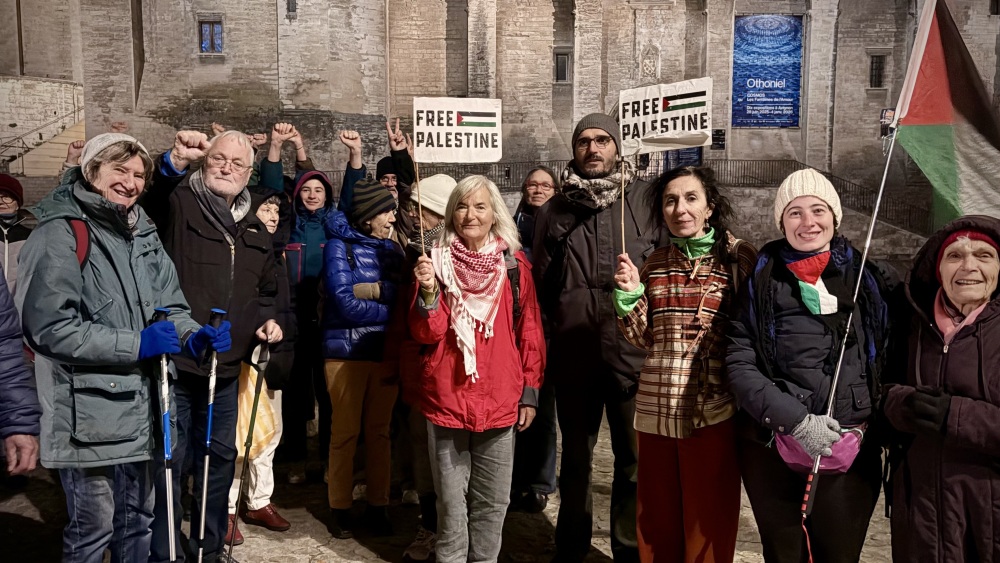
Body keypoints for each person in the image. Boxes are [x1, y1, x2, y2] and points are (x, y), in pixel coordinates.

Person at [15, 133, 228, 563]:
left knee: (139, 521)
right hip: (88, 414)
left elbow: (171, 305)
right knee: (93, 530)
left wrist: (192, 336)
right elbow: (48, 328)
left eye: (137, 175)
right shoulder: (61, 232)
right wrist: (137, 343)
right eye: (119, 171)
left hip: (145, 407)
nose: (130, 183)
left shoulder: (142, 231)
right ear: (92, 170)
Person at [726, 168, 893, 562]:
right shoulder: (762, 279)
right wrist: (796, 421)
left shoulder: (868, 277)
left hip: (850, 445)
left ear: (834, 217)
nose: (808, 222)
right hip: (773, 446)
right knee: (785, 554)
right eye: (795, 213)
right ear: (781, 221)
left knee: (839, 553)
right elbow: (739, 359)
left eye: (818, 210)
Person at [145, 129, 284, 563]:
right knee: (171, 462)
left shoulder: (257, 227)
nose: (226, 167)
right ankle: (167, 550)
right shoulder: (179, 204)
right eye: (218, 159)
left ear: (249, 173)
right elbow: (150, 197)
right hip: (178, 365)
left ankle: (208, 549)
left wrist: (270, 322)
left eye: (237, 163)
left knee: (218, 461)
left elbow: (268, 291)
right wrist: (173, 162)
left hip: (225, 371)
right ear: (205, 164)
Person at [533, 113, 661, 563]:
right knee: (576, 462)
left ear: (617, 147)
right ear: (574, 149)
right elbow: (542, 286)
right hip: (576, 354)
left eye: (602, 140)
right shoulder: (554, 210)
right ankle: (570, 547)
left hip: (631, 355)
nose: (593, 148)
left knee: (634, 462)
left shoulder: (644, 201)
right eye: (584, 141)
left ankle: (628, 549)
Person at [613, 166, 756, 562]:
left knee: (707, 523)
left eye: (691, 198)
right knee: (657, 524)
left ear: (709, 206)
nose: (681, 209)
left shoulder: (738, 257)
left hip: (710, 412)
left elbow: (754, 332)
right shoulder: (654, 262)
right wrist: (630, 298)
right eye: (670, 200)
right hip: (655, 411)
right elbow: (644, 339)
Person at [410, 175, 545, 563]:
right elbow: (426, 331)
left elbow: (530, 332)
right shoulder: (432, 262)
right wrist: (429, 293)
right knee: (451, 509)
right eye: (463, 206)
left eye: (480, 206)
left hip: (501, 401)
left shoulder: (514, 266)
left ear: (494, 213)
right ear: (451, 212)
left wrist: (529, 392)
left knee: (492, 505)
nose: (471, 214)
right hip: (448, 398)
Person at [882, 216, 1000, 562]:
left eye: (984, 255)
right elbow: (879, 388)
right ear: (938, 268)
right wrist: (899, 404)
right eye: (955, 256)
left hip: (988, 513)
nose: (969, 267)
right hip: (922, 512)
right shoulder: (911, 322)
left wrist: (956, 415)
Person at [322, 179, 403, 538]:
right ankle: (339, 506)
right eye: (386, 211)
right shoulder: (339, 247)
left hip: (385, 353)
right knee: (345, 432)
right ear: (368, 216)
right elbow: (345, 304)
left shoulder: (392, 249)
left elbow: (405, 298)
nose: (392, 216)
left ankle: (378, 505)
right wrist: (389, 300)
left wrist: (377, 290)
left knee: (380, 432)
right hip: (346, 353)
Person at [259, 123, 330, 485]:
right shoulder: (290, 227)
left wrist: (302, 149)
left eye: (319, 191)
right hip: (293, 317)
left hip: (326, 318)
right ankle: (295, 456)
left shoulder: (333, 225)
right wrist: (276, 146)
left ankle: (330, 459)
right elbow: (271, 191)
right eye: (307, 191)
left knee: (328, 392)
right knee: (294, 389)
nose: (313, 196)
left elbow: (346, 194)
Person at [392, 173, 458, 560]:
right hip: (418, 362)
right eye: (412, 208)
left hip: (452, 367)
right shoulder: (414, 253)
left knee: (451, 457)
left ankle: (453, 530)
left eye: (424, 210)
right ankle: (430, 524)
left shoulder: (460, 255)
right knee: (423, 450)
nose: (414, 216)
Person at [225, 193, 297, 545]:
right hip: (245, 354)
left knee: (271, 434)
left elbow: (283, 304)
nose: (272, 214)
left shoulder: (278, 253)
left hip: (275, 352)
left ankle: (259, 501)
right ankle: (226, 508)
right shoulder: (243, 248)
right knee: (241, 438)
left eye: (276, 210)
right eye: (265, 207)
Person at [509, 165, 559, 513]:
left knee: (543, 408)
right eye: (532, 184)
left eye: (545, 185)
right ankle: (513, 479)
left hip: (551, 326)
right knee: (515, 406)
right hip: (517, 326)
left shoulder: (563, 224)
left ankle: (540, 482)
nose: (538, 190)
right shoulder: (511, 227)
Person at [0, 174, 36, 296]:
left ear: (17, 203)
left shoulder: (30, 236)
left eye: (6, 197)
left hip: (19, 308)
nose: (1, 202)